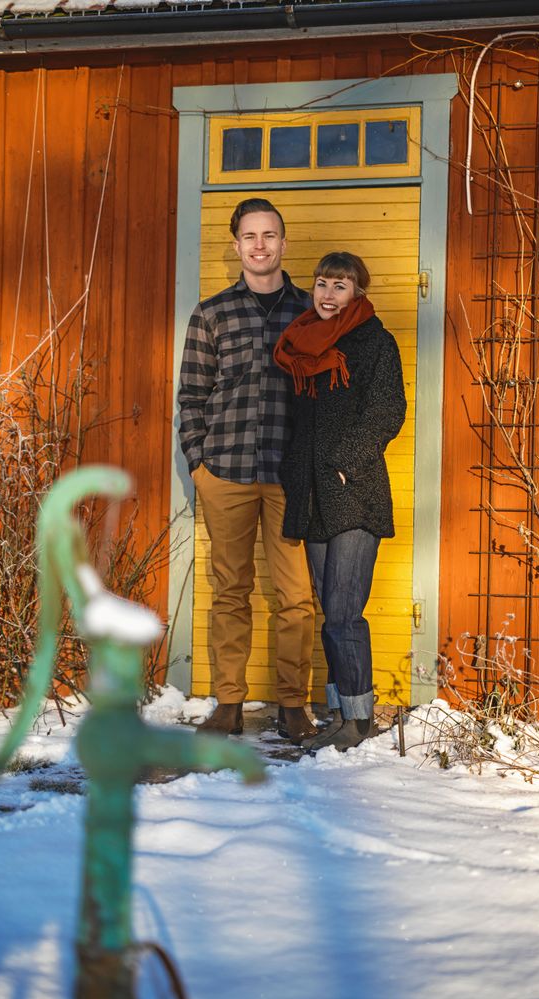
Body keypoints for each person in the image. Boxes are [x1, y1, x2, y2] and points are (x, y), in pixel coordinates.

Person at [178, 198, 317, 744]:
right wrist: (199, 466)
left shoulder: (311, 313)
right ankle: (228, 703)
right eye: (250, 236)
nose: (260, 245)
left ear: (284, 243)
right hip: (227, 473)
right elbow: (191, 395)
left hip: (289, 475)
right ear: (235, 245)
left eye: (270, 235)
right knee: (230, 591)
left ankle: (293, 705)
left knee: (296, 596)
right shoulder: (212, 314)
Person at [274, 252, 406, 751]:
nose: (329, 295)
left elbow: (388, 409)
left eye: (341, 286)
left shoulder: (376, 342)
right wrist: (295, 472)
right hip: (313, 495)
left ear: (358, 292)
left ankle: (359, 718)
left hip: (356, 494)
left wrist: (346, 463)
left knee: (345, 610)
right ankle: (341, 713)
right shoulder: (304, 345)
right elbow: (298, 422)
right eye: (322, 284)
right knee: (330, 611)